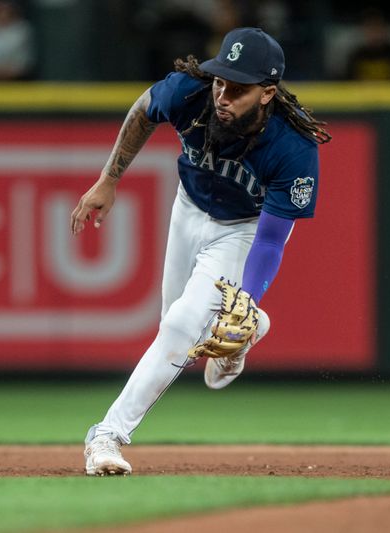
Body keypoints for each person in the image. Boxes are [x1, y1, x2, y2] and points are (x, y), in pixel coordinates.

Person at [72, 27, 331, 476]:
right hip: (188, 209)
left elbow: (270, 238)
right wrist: (109, 178)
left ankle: (106, 435)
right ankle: (242, 337)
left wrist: (247, 299)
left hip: (244, 229)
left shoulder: (293, 147)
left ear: (267, 93)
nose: (222, 95)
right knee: (173, 325)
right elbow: (142, 111)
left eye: (238, 88)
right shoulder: (191, 93)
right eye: (219, 81)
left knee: (179, 326)